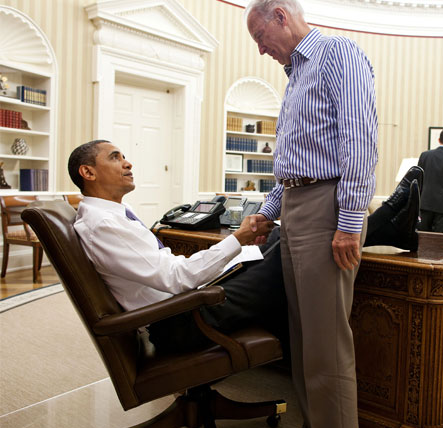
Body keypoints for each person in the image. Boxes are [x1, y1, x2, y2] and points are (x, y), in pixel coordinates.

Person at [69, 140, 421, 358]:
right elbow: (175, 278)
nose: (127, 163)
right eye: (115, 157)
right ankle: (387, 221)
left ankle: (386, 226)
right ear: (88, 172)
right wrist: (235, 240)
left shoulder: (110, 217)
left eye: (125, 156)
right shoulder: (103, 224)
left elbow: (167, 269)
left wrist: (239, 246)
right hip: (182, 320)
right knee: (295, 249)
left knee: (283, 237)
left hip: (183, 303)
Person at [245, 0, 379, 428]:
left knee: (326, 348)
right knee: (302, 343)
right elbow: (294, 164)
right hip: (298, 208)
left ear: (280, 16)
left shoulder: (337, 53)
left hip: (327, 206)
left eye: (260, 36)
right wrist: (267, 213)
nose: (260, 48)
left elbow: (359, 141)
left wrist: (349, 222)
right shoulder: (295, 75)